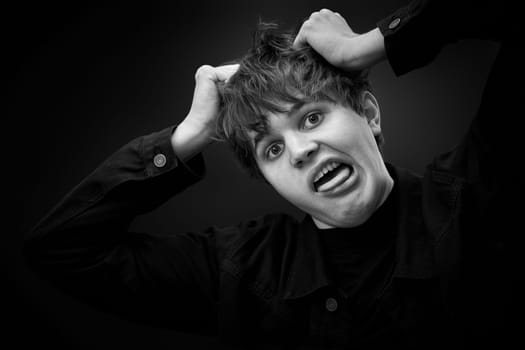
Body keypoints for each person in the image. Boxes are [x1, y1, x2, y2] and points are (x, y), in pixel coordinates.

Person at [23, 0, 522, 348]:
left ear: (368, 112)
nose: (301, 150)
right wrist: (185, 138)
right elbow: (62, 249)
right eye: (272, 146)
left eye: (311, 116)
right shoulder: (241, 270)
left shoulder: (482, 193)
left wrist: (374, 45)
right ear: (266, 175)